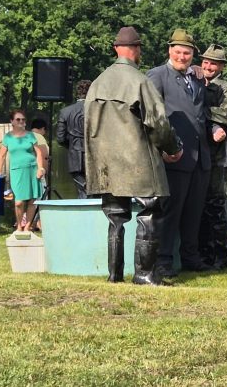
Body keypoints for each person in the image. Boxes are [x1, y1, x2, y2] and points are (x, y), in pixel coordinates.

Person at [86, 26, 183, 284]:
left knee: (115, 217)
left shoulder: (97, 83)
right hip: (138, 160)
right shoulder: (139, 81)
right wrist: (173, 149)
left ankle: (114, 275)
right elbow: (158, 123)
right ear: (136, 49)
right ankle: (144, 274)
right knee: (149, 213)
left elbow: (87, 127)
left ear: (115, 48)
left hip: (106, 163)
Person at [147, 28, 212, 275]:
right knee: (170, 213)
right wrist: (165, 148)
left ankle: (190, 257)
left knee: (194, 212)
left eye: (187, 53)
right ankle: (163, 261)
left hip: (199, 157)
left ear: (193, 54)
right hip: (174, 156)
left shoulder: (196, 77)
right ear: (169, 51)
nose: (182, 57)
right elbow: (152, 116)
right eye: (178, 52)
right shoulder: (157, 76)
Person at [199, 44, 227, 269]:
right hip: (197, 155)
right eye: (205, 62)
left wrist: (198, 110)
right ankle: (203, 255)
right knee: (199, 207)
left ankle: (222, 257)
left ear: (221, 66)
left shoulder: (226, 89)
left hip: (216, 157)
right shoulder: (193, 82)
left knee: (216, 205)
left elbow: (225, 115)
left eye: (213, 63)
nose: (208, 66)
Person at [0, 110, 45, 232]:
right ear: (12, 121)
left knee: (32, 200)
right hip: (17, 171)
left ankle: (27, 227)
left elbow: (39, 153)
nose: (21, 122)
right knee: (19, 202)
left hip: (32, 170)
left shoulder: (30, 135)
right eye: (18, 119)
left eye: (23, 119)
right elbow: (2, 155)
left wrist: (40, 168)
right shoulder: (8, 137)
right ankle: (19, 226)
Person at [56, 80, 91, 198]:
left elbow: (60, 138)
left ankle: (83, 213)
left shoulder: (65, 112)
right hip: (95, 156)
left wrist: (72, 146)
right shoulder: (98, 110)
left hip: (75, 156)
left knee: (82, 191)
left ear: (77, 93)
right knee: (95, 191)